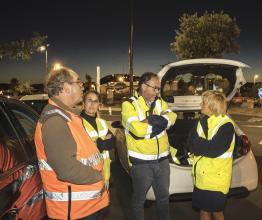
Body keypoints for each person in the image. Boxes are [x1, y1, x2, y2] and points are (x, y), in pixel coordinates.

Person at [34, 67, 109, 220]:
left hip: (86, 207)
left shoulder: (68, 117)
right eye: (78, 82)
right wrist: (99, 176)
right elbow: (67, 170)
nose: (82, 86)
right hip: (76, 211)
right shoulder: (55, 121)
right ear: (66, 88)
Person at [121, 72, 177, 220]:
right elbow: (138, 131)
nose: (158, 91)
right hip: (141, 164)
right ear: (144, 86)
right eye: (155, 88)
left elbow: (173, 118)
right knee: (139, 201)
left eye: (159, 88)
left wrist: (149, 120)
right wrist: (160, 123)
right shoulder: (129, 105)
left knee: (164, 198)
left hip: (163, 161)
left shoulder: (160, 102)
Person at [185, 90, 235, 220]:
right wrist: (200, 145)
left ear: (213, 106)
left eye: (204, 102)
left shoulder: (226, 125)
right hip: (201, 179)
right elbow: (190, 142)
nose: (200, 104)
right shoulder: (201, 122)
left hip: (216, 181)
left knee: (217, 213)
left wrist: (199, 144)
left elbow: (213, 149)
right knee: (203, 211)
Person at [81, 90, 116, 189]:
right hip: (88, 176)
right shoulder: (78, 123)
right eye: (89, 100)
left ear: (99, 105)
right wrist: (103, 142)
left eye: (95, 101)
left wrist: (99, 143)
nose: (92, 104)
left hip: (105, 175)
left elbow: (113, 142)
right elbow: (84, 149)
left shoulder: (102, 122)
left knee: (105, 203)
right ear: (83, 103)